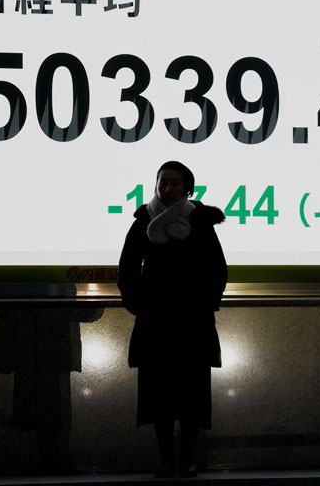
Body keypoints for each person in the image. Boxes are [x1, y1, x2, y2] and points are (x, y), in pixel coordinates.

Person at [117, 161, 227, 477]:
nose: (166, 188)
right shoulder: (144, 221)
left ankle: (188, 459)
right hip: (155, 323)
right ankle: (166, 460)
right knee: (159, 397)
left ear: (187, 188)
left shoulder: (200, 221)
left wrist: (204, 305)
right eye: (162, 182)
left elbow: (217, 270)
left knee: (192, 396)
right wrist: (139, 305)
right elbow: (127, 269)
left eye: (174, 183)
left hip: (193, 323)